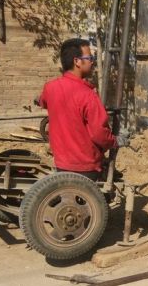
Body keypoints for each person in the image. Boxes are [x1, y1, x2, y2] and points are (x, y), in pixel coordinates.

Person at [37, 38, 128, 181]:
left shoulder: (50, 88)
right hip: (86, 167)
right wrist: (116, 141)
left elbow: (42, 100)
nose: (92, 62)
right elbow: (99, 134)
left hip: (62, 164)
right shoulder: (87, 95)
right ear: (77, 61)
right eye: (89, 58)